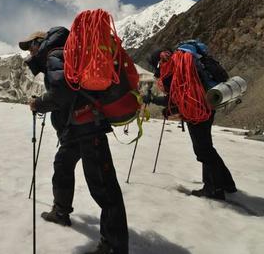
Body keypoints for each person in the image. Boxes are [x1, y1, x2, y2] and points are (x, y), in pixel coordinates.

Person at [19, 27, 128, 254]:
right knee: (62, 166)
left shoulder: (55, 54)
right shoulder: (62, 53)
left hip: (88, 127)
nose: (29, 52)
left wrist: (38, 103)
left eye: (30, 46)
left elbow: (62, 93)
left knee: (104, 187)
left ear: (41, 42)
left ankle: (114, 246)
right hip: (76, 127)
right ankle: (61, 211)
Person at [145, 47, 237, 200]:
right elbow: (183, 95)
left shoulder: (171, 70)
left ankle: (214, 189)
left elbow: (174, 98)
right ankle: (227, 183)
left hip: (196, 111)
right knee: (207, 147)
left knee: (203, 150)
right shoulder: (184, 61)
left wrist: (154, 99)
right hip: (208, 104)